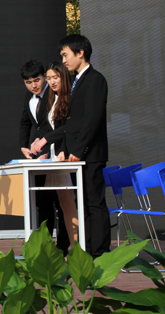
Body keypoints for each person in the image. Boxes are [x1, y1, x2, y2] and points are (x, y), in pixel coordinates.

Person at [31, 34, 110, 258]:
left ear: (80, 53)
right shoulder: (77, 81)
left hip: (90, 154)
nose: (64, 60)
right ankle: (88, 250)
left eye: (65, 55)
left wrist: (79, 150)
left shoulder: (95, 79)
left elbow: (92, 119)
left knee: (94, 203)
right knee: (84, 204)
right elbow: (73, 123)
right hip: (78, 155)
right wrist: (67, 149)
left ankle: (101, 252)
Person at [19, 60, 69, 252]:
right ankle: (45, 246)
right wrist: (24, 146)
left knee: (61, 202)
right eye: (28, 82)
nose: (34, 85)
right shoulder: (29, 97)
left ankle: (63, 246)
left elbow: (59, 124)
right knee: (42, 202)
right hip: (39, 154)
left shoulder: (55, 94)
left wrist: (47, 145)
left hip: (57, 151)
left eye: (37, 80)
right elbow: (25, 121)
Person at [44, 60, 78, 243]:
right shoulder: (53, 98)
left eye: (55, 77)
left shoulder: (70, 97)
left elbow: (68, 129)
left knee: (70, 202)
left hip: (65, 156)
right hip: (55, 155)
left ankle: (77, 247)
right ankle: (72, 246)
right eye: (49, 78)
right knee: (64, 204)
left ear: (63, 76)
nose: (52, 81)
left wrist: (63, 149)